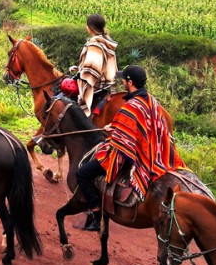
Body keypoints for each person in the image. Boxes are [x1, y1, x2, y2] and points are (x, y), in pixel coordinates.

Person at [74, 65, 182, 231]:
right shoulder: (152, 101)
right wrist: (115, 127)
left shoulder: (131, 106)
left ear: (130, 82)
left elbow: (122, 141)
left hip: (132, 156)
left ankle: (96, 215)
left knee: (82, 173)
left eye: (124, 79)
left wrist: (112, 133)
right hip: (153, 153)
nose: (122, 82)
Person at [69, 13, 118, 118]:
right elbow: (100, 65)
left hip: (97, 85)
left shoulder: (94, 44)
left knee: (66, 105)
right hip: (107, 84)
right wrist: (79, 68)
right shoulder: (106, 41)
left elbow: (92, 71)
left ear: (89, 27)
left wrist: (80, 75)